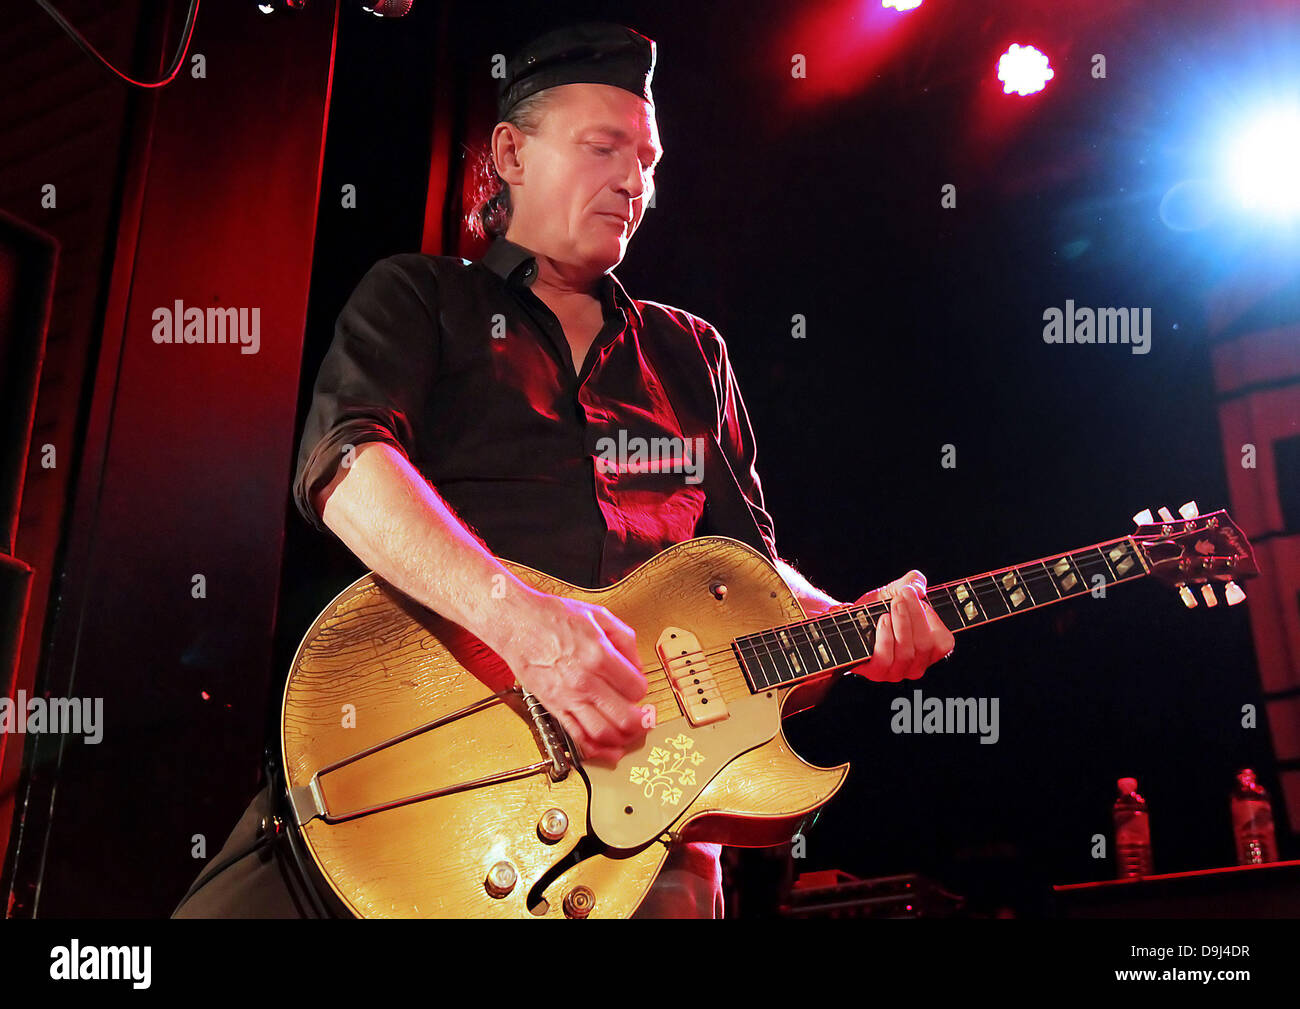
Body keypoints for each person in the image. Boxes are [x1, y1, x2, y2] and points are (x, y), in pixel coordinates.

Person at [173, 21, 954, 920]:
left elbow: (752, 581)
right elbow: (346, 470)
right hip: (418, 772)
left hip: (644, 838)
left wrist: (856, 629)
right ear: (510, 151)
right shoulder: (422, 296)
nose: (635, 181)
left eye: (649, 159)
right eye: (603, 148)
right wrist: (526, 626)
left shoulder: (691, 352)